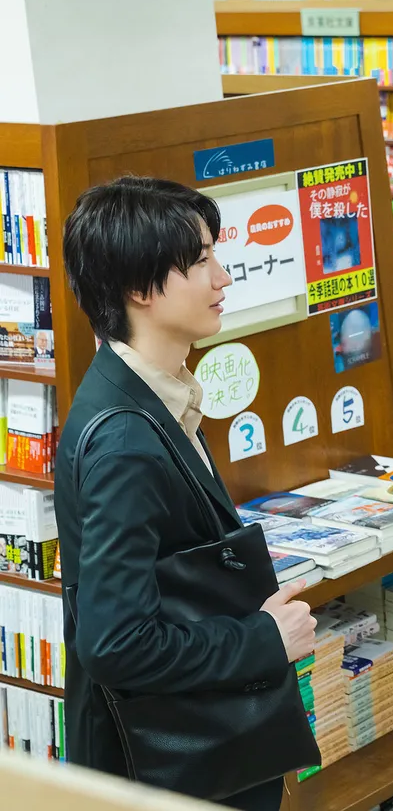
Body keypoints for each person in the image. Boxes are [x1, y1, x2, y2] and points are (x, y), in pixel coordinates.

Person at [54, 177, 318, 811]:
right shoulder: (125, 440)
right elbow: (115, 643)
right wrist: (263, 640)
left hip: (189, 747)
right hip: (163, 768)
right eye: (201, 260)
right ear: (142, 289)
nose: (223, 277)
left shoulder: (151, 395)